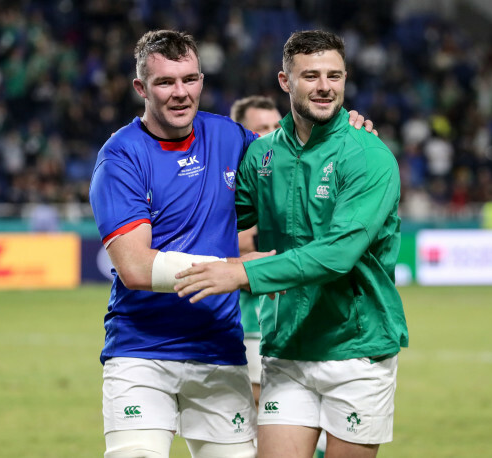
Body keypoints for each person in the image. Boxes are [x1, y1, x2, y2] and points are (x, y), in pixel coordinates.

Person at [89, 29, 374, 458]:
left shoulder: (228, 137)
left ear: (202, 81)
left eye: (189, 79)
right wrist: (235, 271)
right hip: (142, 352)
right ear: (140, 88)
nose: (180, 93)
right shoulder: (121, 157)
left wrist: (345, 133)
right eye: (165, 82)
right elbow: (134, 266)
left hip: (219, 351)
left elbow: (295, 158)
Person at [175, 30, 409, 458]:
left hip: (356, 352)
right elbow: (215, 222)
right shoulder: (263, 156)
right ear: (285, 81)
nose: (325, 86)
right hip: (287, 347)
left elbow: (338, 255)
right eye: (311, 75)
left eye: (334, 75)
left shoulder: (368, 155)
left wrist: (242, 271)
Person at [229, 95, 282, 408]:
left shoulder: (286, 172)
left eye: (277, 125)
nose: (273, 133)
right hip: (247, 319)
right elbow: (241, 242)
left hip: (286, 318)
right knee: (259, 408)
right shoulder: (236, 177)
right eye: (262, 128)